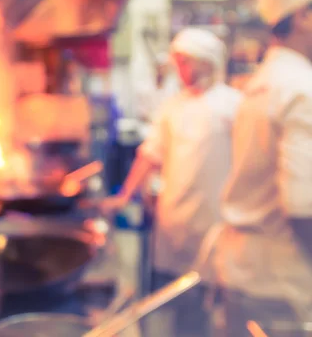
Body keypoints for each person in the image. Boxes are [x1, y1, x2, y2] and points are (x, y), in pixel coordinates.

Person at [103, 27, 243, 337]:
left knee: (209, 306)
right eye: (178, 62)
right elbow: (149, 156)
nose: (180, 70)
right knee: (170, 303)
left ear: (206, 62)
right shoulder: (172, 107)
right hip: (172, 221)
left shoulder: (234, 106)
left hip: (214, 223)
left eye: (185, 62)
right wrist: (125, 195)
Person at [215, 0, 312, 336]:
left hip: (248, 272)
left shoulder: (266, 80)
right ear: (304, 17)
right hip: (285, 283)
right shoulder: (301, 89)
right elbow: (305, 209)